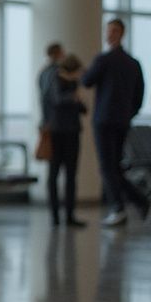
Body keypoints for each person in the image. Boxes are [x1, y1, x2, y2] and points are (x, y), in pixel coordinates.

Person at [81, 18, 147, 227]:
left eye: (113, 31)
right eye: (108, 31)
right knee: (115, 167)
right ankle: (138, 200)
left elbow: (86, 81)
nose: (109, 35)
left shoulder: (104, 60)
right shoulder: (133, 63)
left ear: (121, 33)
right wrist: (129, 113)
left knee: (108, 167)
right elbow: (139, 96)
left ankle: (119, 207)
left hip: (104, 120)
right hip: (122, 120)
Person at [45, 53, 87, 228]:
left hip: (72, 132)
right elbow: (56, 101)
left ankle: (69, 215)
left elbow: (83, 108)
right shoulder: (54, 79)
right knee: (54, 174)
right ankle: (55, 215)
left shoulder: (73, 83)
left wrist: (77, 101)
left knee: (71, 175)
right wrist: (74, 99)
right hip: (56, 133)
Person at [38, 42, 65, 125]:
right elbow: (56, 97)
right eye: (62, 52)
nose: (64, 55)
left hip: (47, 117)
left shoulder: (43, 72)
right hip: (56, 120)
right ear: (56, 54)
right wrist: (72, 97)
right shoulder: (56, 72)